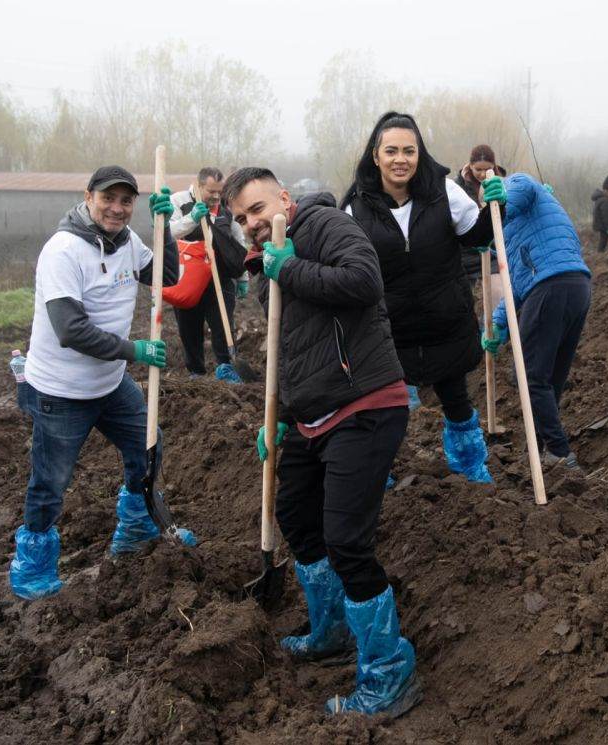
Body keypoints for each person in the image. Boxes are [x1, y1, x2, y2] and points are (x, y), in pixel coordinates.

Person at [222, 166, 421, 718]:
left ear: (283, 199)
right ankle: (331, 629)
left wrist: (294, 268)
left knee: (346, 540)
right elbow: (289, 353)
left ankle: (388, 674)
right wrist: (279, 417)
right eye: (241, 219)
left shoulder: (325, 223)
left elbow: (363, 283)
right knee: (295, 514)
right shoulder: (266, 272)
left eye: (258, 210)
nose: (252, 224)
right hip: (315, 417)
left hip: (366, 403)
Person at [9, 166, 197, 601]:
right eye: (108, 198)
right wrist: (135, 351)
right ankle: (32, 569)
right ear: (88, 196)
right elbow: (70, 330)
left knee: (147, 446)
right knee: (50, 482)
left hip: (109, 385)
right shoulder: (63, 250)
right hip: (60, 391)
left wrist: (162, 229)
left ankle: (134, 528)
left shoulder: (129, 242)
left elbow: (166, 278)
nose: (117, 208)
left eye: (126, 201)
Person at [342, 111, 498, 483]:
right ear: (375, 156)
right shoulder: (356, 209)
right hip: (389, 329)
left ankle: (471, 468)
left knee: (456, 400)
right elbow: (344, 263)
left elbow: (476, 238)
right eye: (391, 151)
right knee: (383, 408)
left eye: (409, 151)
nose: (401, 159)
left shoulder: (444, 192)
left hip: (446, 320)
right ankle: (379, 474)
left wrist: (496, 209)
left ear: (420, 154)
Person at [480, 173, 591, 469]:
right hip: (576, 288)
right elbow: (515, 283)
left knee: (529, 377)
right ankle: (547, 448)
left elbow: (524, 187)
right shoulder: (512, 230)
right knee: (549, 377)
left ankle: (559, 452)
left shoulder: (520, 185)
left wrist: (502, 198)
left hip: (550, 288)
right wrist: (499, 322)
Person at [168, 167, 249, 382]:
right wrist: (193, 218)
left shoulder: (225, 208)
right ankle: (196, 371)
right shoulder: (179, 201)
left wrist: (242, 277)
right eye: (211, 191)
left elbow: (237, 242)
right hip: (188, 277)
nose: (216, 196)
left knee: (223, 324)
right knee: (189, 325)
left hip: (219, 277)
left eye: (219, 192)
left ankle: (226, 367)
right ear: (199, 184)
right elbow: (168, 231)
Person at [455, 144, 505, 285]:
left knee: (499, 293)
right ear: (470, 166)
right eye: (478, 169)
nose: (483, 174)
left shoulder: (503, 185)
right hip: (466, 258)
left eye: (488, 169)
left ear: (494, 166)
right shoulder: (457, 188)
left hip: (496, 254)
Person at [591, 176, 608, 252]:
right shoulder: (606, 201)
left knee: (604, 239)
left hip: (602, 225)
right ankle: (600, 253)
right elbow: (606, 216)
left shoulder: (602, 199)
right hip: (603, 226)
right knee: (603, 240)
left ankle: (601, 252)